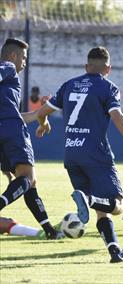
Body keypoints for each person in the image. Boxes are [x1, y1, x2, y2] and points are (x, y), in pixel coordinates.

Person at [36, 46, 123, 263]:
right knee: (117, 205)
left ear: (87, 66)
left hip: (71, 155)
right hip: (96, 154)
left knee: (100, 211)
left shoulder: (69, 85)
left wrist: (44, 124)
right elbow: (117, 116)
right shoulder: (108, 87)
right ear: (109, 68)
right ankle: (88, 199)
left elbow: (42, 112)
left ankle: (115, 251)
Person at [0, 38, 63, 240]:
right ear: (13, 56)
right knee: (28, 179)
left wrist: (40, 116)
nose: (24, 63)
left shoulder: (7, 88)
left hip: (7, 126)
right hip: (11, 131)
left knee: (28, 183)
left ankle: (50, 231)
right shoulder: (7, 67)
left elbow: (15, 116)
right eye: (24, 58)